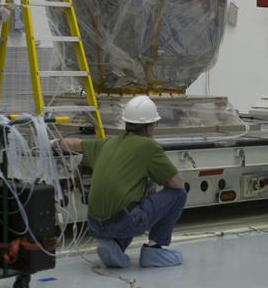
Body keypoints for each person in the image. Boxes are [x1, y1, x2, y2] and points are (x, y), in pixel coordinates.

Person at [55, 95, 187, 268]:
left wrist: (51, 142)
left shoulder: (107, 144)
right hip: (123, 223)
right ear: (148, 128)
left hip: (94, 225)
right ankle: (154, 249)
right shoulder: (149, 147)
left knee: (129, 198)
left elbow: (73, 144)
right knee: (178, 195)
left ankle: (114, 245)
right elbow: (177, 184)